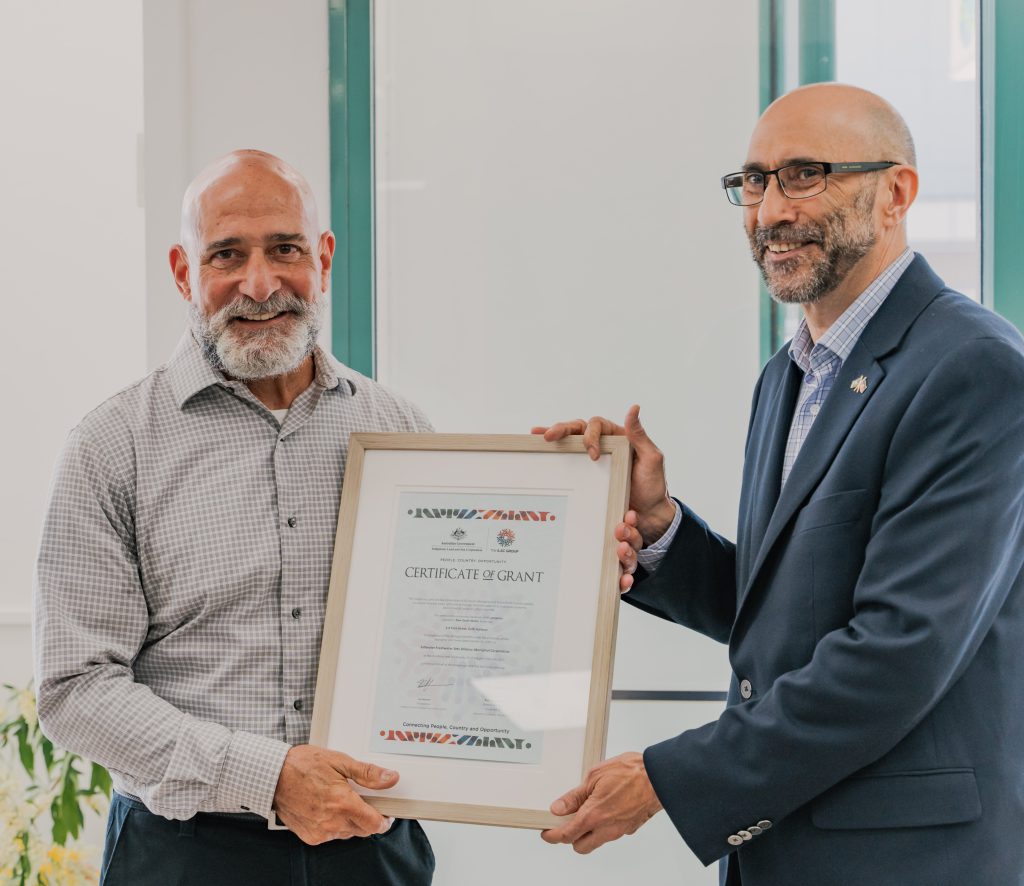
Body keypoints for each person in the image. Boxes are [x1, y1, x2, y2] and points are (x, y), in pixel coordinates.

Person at [536, 84, 1024, 885]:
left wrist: (667, 779)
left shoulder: (973, 369)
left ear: (896, 193)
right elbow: (788, 617)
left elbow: (897, 654)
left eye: (804, 175)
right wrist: (660, 529)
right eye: (754, 181)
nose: (768, 211)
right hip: (782, 853)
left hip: (904, 863)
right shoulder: (789, 375)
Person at [34, 151, 435, 885]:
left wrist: (574, 513)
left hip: (373, 847)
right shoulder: (110, 446)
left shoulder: (401, 429)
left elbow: (444, 628)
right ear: (183, 271)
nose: (260, 283)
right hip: (184, 853)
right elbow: (76, 689)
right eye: (226, 254)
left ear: (323, 258)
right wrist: (268, 777)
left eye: (285, 249)